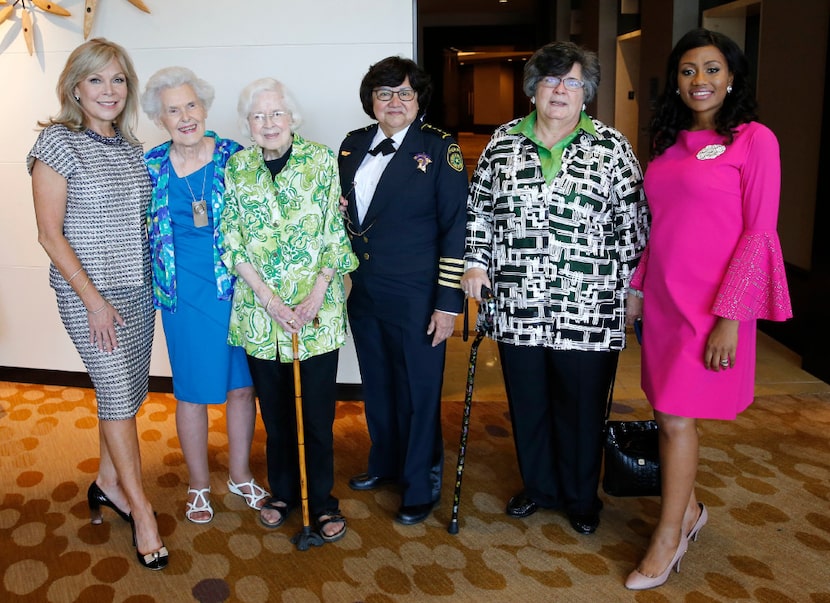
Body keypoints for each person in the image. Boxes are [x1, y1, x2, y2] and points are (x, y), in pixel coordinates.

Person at [623, 28, 792, 590]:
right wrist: (638, 289)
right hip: (665, 302)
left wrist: (731, 318)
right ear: (676, 79)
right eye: (689, 70)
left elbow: (759, 233)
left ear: (733, 76)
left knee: (675, 419)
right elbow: (659, 229)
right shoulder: (669, 144)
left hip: (713, 304)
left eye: (713, 69)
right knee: (667, 411)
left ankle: (668, 538)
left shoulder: (754, 140)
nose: (701, 81)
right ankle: (689, 511)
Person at [461, 41, 649, 536]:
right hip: (517, 300)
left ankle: (581, 495)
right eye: (550, 81)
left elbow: (634, 225)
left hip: (589, 303)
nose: (560, 90)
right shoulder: (502, 143)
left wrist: (634, 291)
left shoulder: (612, 147)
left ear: (586, 92)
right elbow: (478, 213)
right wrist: (476, 264)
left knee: (583, 404)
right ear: (533, 91)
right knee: (528, 400)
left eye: (571, 82)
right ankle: (540, 486)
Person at [28, 38, 168, 570]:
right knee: (115, 396)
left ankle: (108, 483)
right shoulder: (57, 143)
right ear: (74, 87)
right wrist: (94, 302)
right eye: (97, 80)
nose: (109, 90)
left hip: (138, 290)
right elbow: (49, 234)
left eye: (118, 79)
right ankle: (143, 511)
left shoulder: (132, 148)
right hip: (90, 297)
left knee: (126, 397)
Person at [220, 78, 358, 543]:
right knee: (276, 416)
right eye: (258, 117)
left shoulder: (320, 160)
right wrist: (269, 299)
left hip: (316, 312)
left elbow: (335, 233)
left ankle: (321, 502)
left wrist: (319, 291)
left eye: (276, 114)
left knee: (317, 416)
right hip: (263, 314)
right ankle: (282, 492)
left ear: (292, 118)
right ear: (248, 124)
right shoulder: (237, 168)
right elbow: (231, 239)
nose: (268, 123)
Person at [338, 56, 468, 526]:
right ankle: (386, 463)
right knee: (379, 383)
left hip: (417, 292)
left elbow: (456, 228)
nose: (394, 102)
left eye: (405, 93)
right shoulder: (352, 146)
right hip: (366, 289)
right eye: (384, 93)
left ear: (419, 100)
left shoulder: (440, 149)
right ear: (371, 100)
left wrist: (447, 302)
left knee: (418, 388)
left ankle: (421, 481)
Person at [141, 67, 268, 525]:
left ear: (205, 108)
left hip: (237, 289)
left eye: (191, 105)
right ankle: (198, 484)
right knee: (191, 392)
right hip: (182, 296)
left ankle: (239, 474)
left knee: (241, 387)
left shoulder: (237, 157)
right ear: (160, 118)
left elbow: (271, 212)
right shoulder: (151, 165)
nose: (185, 116)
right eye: (173, 110)